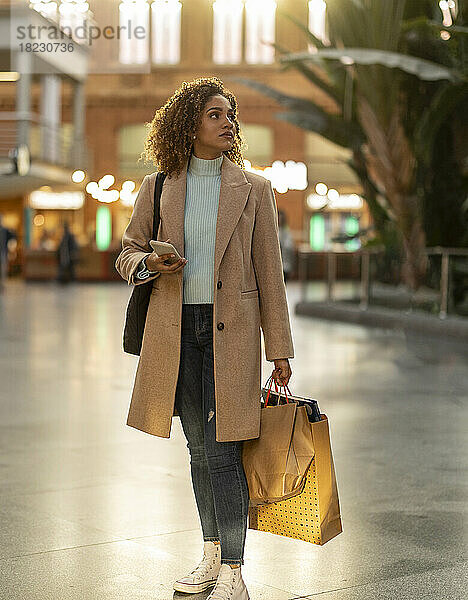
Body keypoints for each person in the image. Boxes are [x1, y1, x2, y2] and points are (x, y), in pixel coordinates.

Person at [115, 77, 294, 600]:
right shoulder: (159, 186)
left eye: (230, 115)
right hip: (176, 333)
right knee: (198, 450)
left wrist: (279, 350)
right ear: (189, 122)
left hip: (233, 337)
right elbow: (125, 256)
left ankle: (234, 569)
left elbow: (271, 273)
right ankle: (211, 557)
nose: (227, 122)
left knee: (224, 450)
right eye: (215, 114)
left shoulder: (254, 188)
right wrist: (150, 260)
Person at [278, 209, 295, 282]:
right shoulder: (272, 231)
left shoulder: (287, 232)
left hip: (285, 264)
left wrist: (292, 266)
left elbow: (290, 249)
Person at [0, 215, 15, 292]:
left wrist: (11, 249)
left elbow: (12, 239)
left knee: (3, 270)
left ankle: (2, 285)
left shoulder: (5, 230)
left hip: (3, 252)